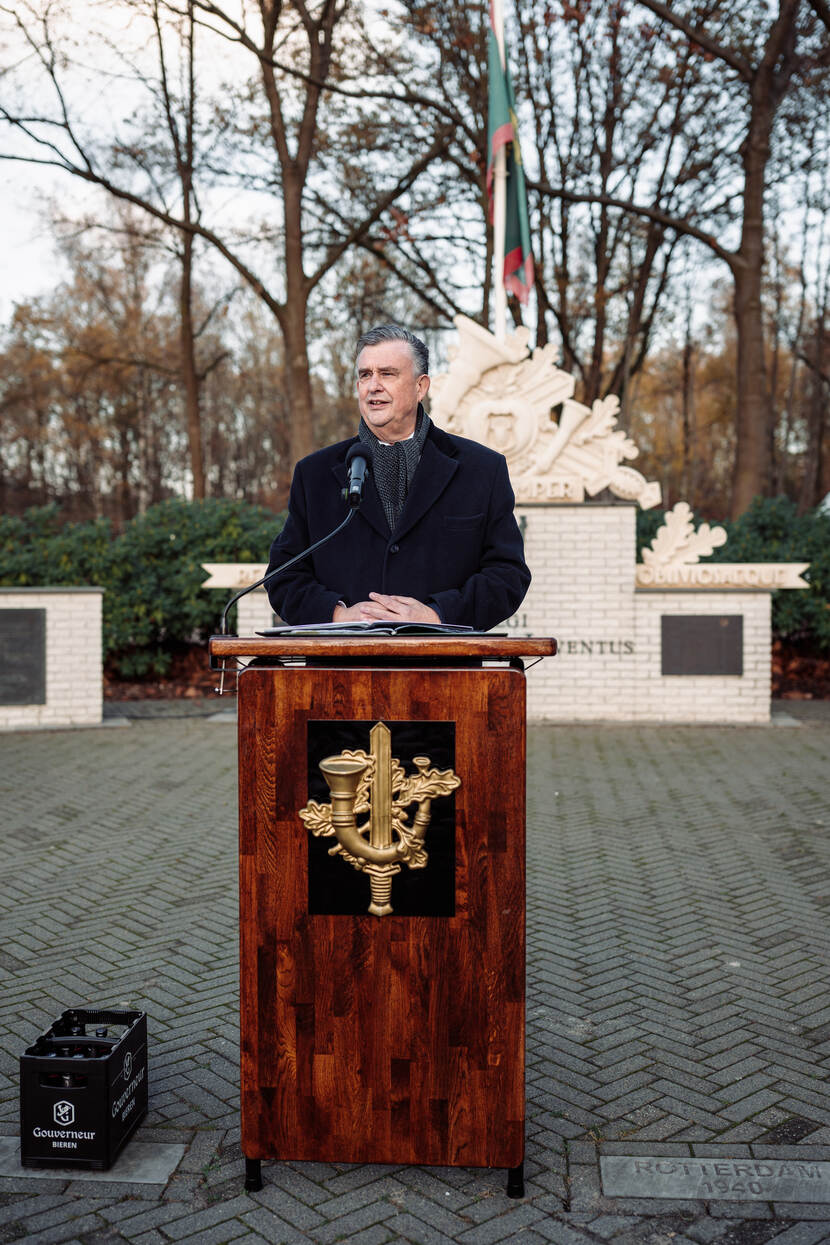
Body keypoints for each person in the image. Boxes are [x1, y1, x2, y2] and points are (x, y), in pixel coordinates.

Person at [266, 324, 530, 631]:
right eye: (365, 375)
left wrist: (436, 616)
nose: (373, 386)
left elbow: (508, 575)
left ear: (421, 387)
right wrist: (337, 615)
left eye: (387, 374)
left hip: (446, 669)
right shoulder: (314, 474)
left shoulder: (482, 469)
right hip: (341, 671)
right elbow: (283, 575)